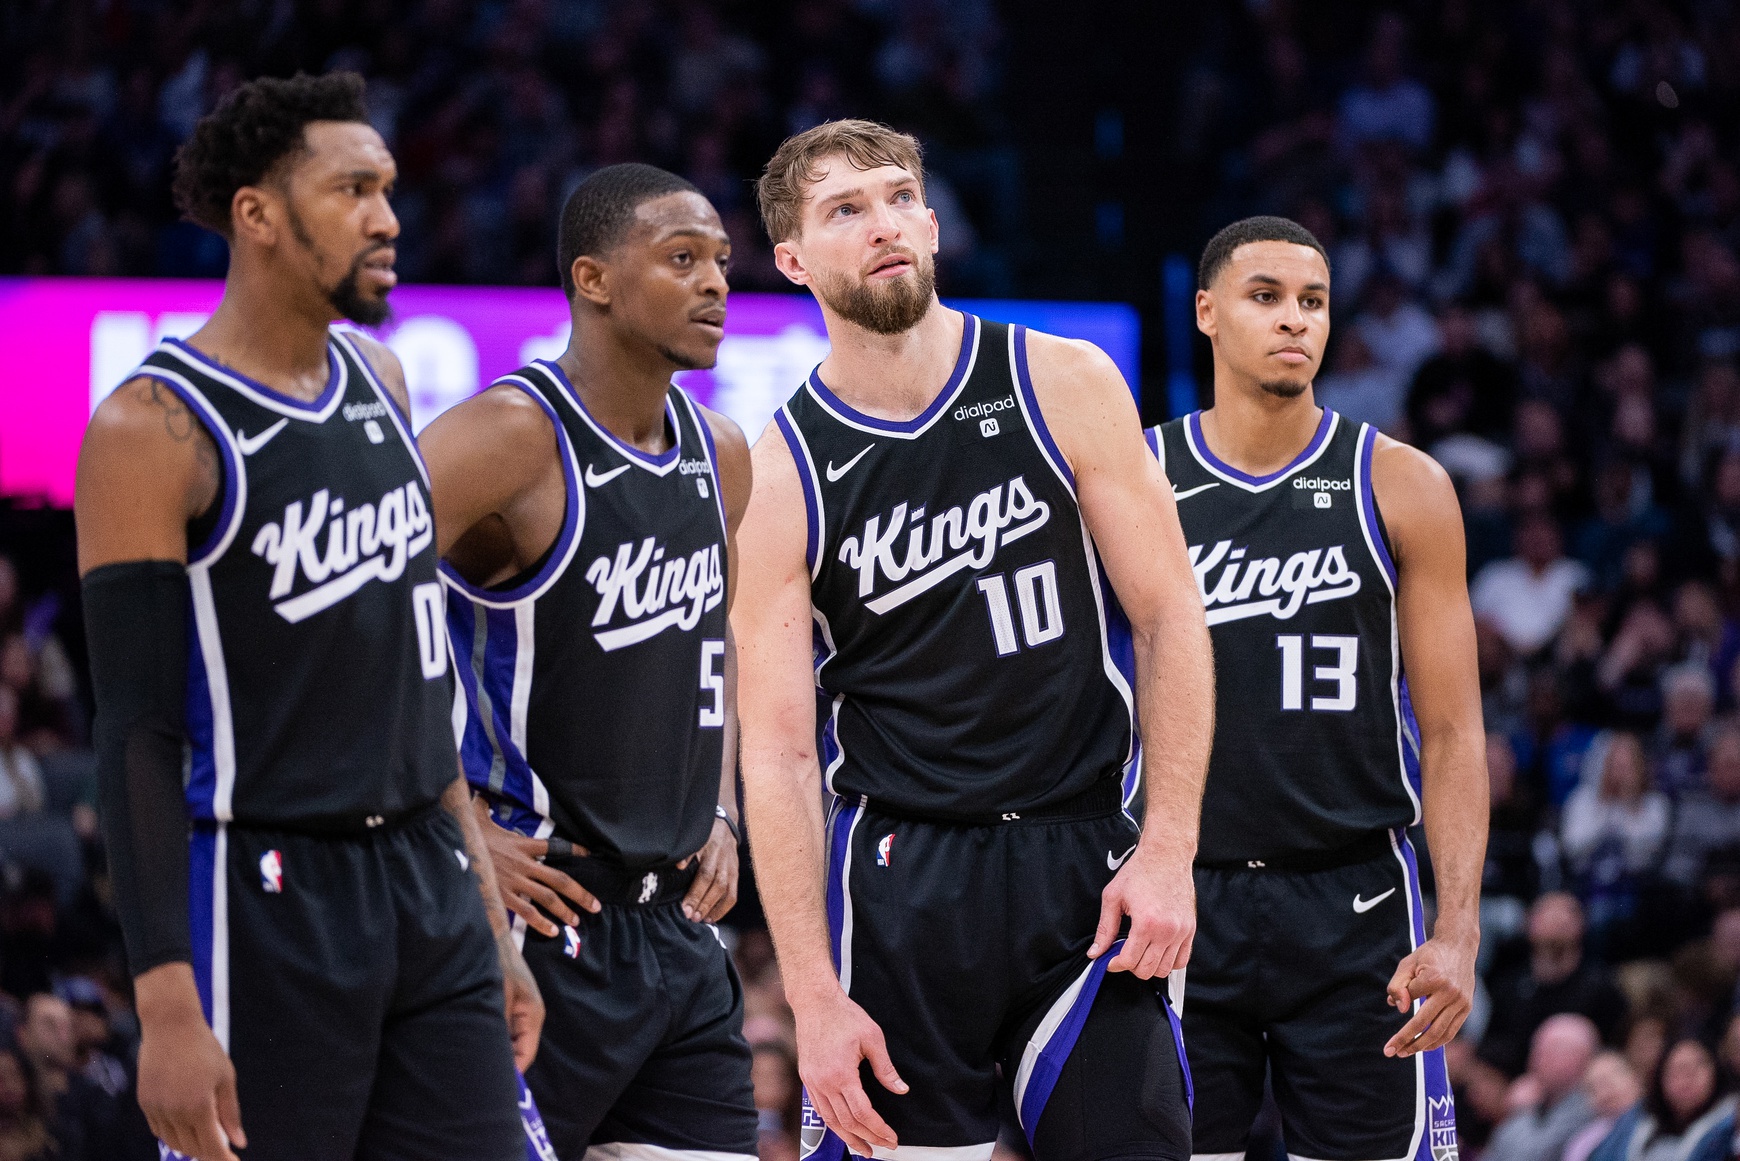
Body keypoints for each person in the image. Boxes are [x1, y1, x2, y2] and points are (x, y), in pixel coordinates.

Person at [74, 72, 540, 1161]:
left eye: (387, 189)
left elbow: (418, 679)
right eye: (353, 190)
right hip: (264, 892)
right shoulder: (154, 428)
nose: (387, 217)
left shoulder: (382, 376)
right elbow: (135, 733)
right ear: (259, 215)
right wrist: (167, 1004)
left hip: (428, 885)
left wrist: (487, 923)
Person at [734, 120, 1213, 1161]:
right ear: (791, 260)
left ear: (935, 221)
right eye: (845, 210)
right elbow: (774, 749)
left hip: (1083, 858)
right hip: (904, 882)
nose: (884, 225)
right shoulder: (779, 470)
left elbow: (1172, 615)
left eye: (900, 196)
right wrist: (811, 997)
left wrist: (1171, 848)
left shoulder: (1063, 380)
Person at [422, 163, 758, 1161]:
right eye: (682, 258)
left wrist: (725, 805)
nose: (716, 285)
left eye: (723, 263)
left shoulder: (722, 451)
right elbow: (345, 612)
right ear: (594, 280)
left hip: (680, 942)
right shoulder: (509, 437)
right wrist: (455, 826)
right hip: (535, 919)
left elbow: (718, 639)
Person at [1145, 215, 1484, 1159]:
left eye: (1313, 302)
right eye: (1266, 297)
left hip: (1357, 907)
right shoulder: (1137, 479)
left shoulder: (1402, 484)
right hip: (1181, 901)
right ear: (1207, 313)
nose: (1294, 319)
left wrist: (1456, 930)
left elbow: (1455, 733)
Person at [1480, 893, 1630, 1076]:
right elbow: (1491, 1046)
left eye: (1567, 913)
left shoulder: (1602, 988)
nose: (1557, 919)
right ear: (1528, 922)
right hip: (1513, 1089)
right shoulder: (1509, 987)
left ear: (1582, 924)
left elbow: (1617, 1050)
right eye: (1547, 913)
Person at [1589, 1038, 1736, 1161]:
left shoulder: (1731, 1126)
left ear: (1716, 1071)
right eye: (1675, 1071)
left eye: (1693, 1070)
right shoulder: (1637, 1120)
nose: (1685, 1081)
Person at [1483, 1014, 1601, 1161]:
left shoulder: (1585, 1105)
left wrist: (1522, 1112)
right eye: (1536, 1050)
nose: (1535, 1060)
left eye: (1547, 1052)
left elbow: (1528, 1156)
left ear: (1579, 1059)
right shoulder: (1544, 1100)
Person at [1563, 1051, 1644, 1161]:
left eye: (1608, 1082)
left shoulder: (1655, 1122)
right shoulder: (1583, 1140)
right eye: (1592, 1089)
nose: (1603, 1094)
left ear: (1634, 1078)